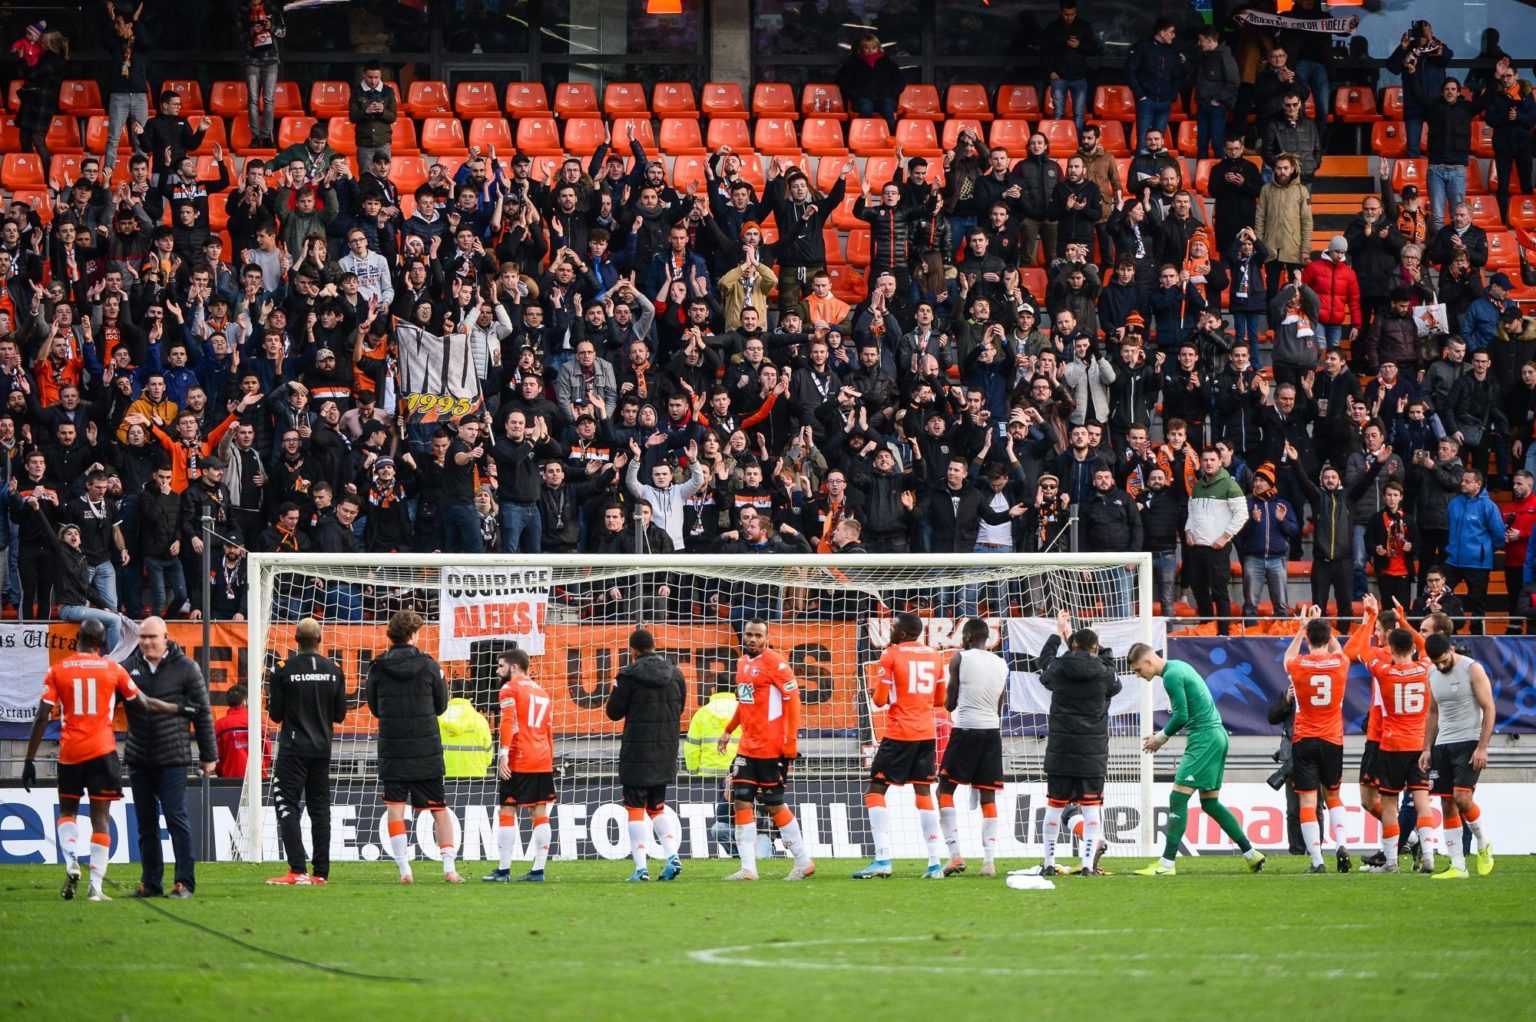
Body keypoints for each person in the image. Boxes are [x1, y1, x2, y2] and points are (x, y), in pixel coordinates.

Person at [20, 619, 189, 902]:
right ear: (102, 644)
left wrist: (29, 759)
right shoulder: (113, 669)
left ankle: (72, 862)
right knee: (100, 819)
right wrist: (178, 709)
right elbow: (144, 703)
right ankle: (95, 888)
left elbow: (42, 716)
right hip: (103, 751)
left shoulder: (58, 670)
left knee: (67, 812)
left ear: (77, 638)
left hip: (71, 752)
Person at [1129, 645, 1267, 875]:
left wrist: (1160, 738)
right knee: (1210, 803)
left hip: (1204, 739)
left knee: (1177, 798)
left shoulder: (1171, 676)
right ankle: (1251, 854)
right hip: (1217, 735)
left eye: (1137, 669)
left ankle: (1166, 865)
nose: (1137, 675)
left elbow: (1181, 716)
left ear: (1148, 662)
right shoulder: (1178, 666)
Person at [122, 615, 217, 899]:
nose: (146, 642)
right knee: (145, 824)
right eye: (142, 637)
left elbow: (202, 713)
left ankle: (184, 883)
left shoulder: (186, 668)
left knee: (176, 819)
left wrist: (208, 755)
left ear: (166, 637)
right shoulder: (127, 668)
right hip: (138, 757)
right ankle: (151, 882)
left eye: (152, 637)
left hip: (173, 757)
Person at [713, 619, 815, 881]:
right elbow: (744, 702)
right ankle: (748, 868)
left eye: (758, 635)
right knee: (741, 801)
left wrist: (790, 742)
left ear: (767, 639)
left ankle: (803, 861)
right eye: (749, 634)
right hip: (747, 748)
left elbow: (793, 701)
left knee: (774, 805)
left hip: (772, 749)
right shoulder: (741, 663)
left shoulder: (777, 664)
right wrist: (729, 729)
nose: (753, 639)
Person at [364, 609, 459, 884]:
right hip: (425, 747)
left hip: (393, 748)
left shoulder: (377, 667)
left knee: (395, 808)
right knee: (439, 809)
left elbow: (374, 707)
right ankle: (449, 869)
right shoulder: (430, 666)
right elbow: (441, 705)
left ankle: (404, 870)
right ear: (414, 634)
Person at [854, 612, 949, 880]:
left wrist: (882, 692)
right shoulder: (935, 655)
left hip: (899, 734)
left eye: (894, 628)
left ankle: (882, 858)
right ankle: (934, 864)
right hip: (925, 734)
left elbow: (880, 700)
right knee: (923, 794)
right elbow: (939, 700)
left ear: (903, 633)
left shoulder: (891, 654)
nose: (890, 632)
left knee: (875, 791)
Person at [1350, 609, 1436, 874]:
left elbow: (1358, 651)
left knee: (1389, 804)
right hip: (1418, 746)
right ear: (1413, 648)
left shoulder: (1383, 671)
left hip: (1391, 745)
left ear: (1391, 646)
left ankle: (1391, 863)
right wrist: (1404, 623)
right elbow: (1425, 647)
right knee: (1422, 802)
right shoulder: (1426, 668)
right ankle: (1429, 857)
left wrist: (1368, 620)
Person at [265, 617, 348, 885]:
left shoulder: (282, 670)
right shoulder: (334, 670)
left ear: (296, 639)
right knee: (320, 809)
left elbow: (276, 714)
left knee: (287, 805)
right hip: (322, 749)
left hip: (293, 749)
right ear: (320, 639)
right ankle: (321, 873)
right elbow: (340, 714)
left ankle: (298, 870)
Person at [1035, 612, 1119, 876]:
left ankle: (1049, 863)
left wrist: (1058, 632)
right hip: (1092, 753)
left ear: (1072, 646)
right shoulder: (1104, 672)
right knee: (1091, 808)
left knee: (1054, 806)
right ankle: (1087, 865)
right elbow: (1113, 676)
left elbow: (1043, 662)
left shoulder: (1059, 668)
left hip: (1061, 750)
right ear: (1095, 648)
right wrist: (1097, 646)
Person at [605, 627, 687, 882]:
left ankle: (641, 868)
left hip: (637, 751)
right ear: (654, 647)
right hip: (666, 750)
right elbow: (680, 707)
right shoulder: (676, 673)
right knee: (656, 807)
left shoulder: (628, 675)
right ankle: (672, 855)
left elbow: (613, 712)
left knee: (635, 808)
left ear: (633, 650)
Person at [1281, 607, 1353, 874]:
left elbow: (1287, 658)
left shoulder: (1299, 664)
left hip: (1304, 739)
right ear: (1329, 637)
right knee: (1333, 796)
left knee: (1308, 802)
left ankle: (1317, 861)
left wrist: (1302, 627)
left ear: (1308, 639)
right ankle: (1341, 844)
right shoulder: (1340, 662)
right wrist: (1323, 627)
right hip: (1332, 739)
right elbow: (1339, 650)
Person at [936, 617, 1007, 878]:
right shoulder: (1001, 663)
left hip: (966, 730)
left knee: (944, 789)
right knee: (988, 796)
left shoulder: (960, 658)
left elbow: (950, 703)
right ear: (986, 639)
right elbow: (1000, 705)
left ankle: (955, 854)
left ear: (966, 638)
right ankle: (989, 862)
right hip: (992, 733)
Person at [1422, 632, 1497, 878]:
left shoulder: (1472, 669)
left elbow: (1489, 708)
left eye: (1444, 661)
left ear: (1451, 650)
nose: (1441, 666)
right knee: (1447, 803)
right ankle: (1458, 866)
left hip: (1469, 742)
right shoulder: (1431, 673)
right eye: (1437, 663)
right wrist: (1426, 748)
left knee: (1462, 798)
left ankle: (1483, 842)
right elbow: (1433, 712)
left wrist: (1483, 746)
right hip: (1443, 744)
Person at [484, 649, 557, 884]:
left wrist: (503, 754)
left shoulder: (509, 688)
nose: (497, 671)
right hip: (542, 757)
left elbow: (508, 720)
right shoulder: (542, 691)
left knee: (507, 810)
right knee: (539, 813)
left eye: (501, 666)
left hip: (520, 756)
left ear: (514, 667)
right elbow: (548, 729)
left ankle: (503, 870)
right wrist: (549, 759)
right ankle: (538, 871)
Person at [1184, 447, 1247, 634]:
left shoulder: (1230, 485)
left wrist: (1225, 536)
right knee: (1199, 591)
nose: (1208, 463)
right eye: (1205, 460)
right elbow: (1192, 512)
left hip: (1217, 549)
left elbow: (1242, 514)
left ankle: (1223, 633)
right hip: (1197, 548)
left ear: (1220, 462)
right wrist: (1188, 530)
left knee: (1219, 592)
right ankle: (1206, 629)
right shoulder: (1197, 486)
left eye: (1212, 459)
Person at [836, 33, 903, 133]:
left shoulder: (888, 64)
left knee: (888, 108)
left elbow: (900, 81)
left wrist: (891, 92)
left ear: (878, 48)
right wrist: (855, 94)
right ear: (861, 49)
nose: (870, 50)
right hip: (862, 97)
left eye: (873, 48)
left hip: (885, 97)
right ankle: (865, 136)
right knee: (865, 108)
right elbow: (843, 82)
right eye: (867, 48)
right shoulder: (852, 64)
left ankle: (891, 137)